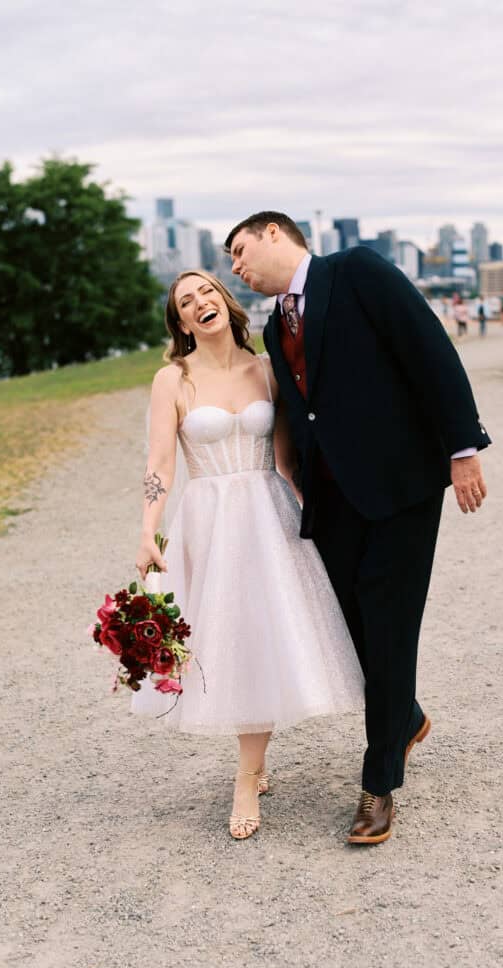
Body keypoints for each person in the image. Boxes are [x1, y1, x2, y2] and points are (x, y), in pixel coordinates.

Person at [225, 212, 491, 845]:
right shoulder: (271, 327)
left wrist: (463, 448)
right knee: (349, 627)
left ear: (273, 234)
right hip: (331, 498)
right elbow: (300, 406)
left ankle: (379, 785)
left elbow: (429, 349)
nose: (236, 267)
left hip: (401, 487)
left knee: (390, 626)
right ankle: (408, 715)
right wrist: (286, 464)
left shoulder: (359, 272)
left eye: (239, 252)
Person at [132, 270, 364, 840]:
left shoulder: (265, 369)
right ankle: (249, 770)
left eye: (206, 292)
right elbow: (161, 464)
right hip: (210, 520)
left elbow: (285, 455)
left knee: (266, 636)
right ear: (181, 322)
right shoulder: (173, 379)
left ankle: (248, 770)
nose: (199, 303)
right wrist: (147, 532)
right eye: (186, 301)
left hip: (268, 512)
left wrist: (314, 504)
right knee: (232, 640)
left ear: (223, 301)